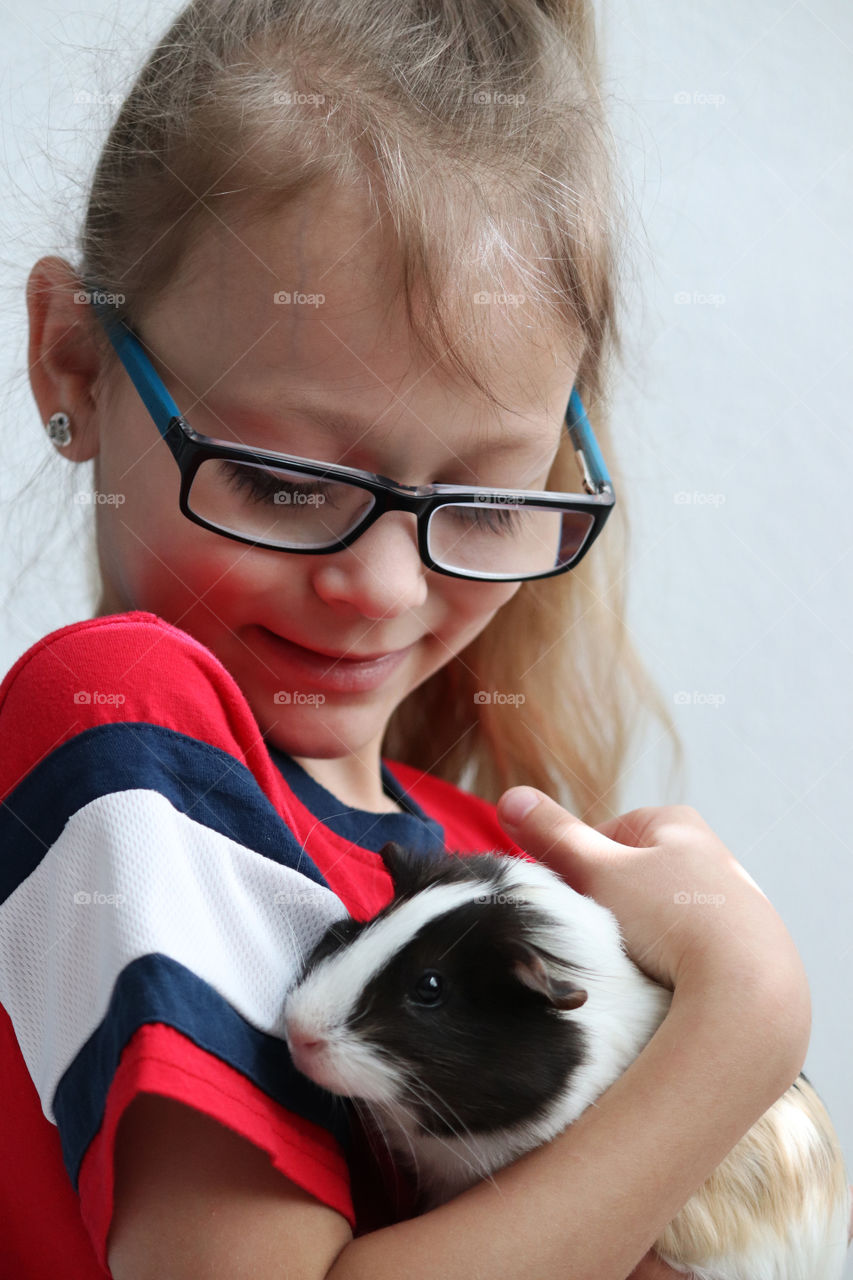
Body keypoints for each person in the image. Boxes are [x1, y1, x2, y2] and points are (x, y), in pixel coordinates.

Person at [0, 1, 846, 1277]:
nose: (385, 586)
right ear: (72, 362)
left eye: (489, 502)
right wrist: (741, 1027)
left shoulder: (504, 884)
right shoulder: (126, 726)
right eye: (284, 483)